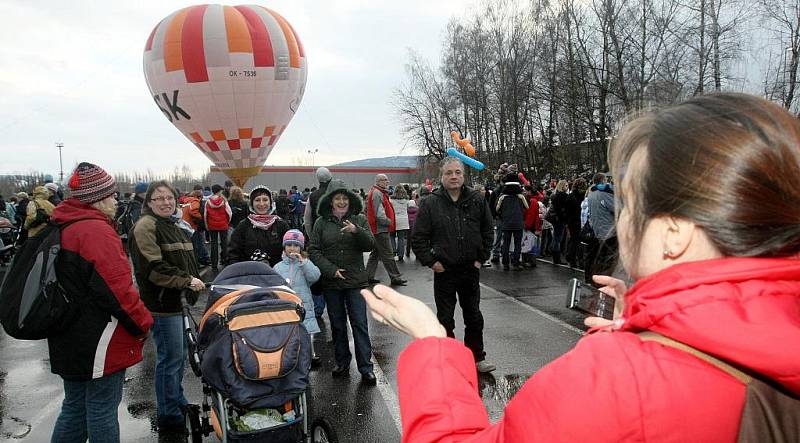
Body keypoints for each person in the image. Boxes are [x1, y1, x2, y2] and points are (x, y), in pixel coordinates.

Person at [364, 92, 800, 441]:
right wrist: (654, 321)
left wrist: (432, 344)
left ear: (673, 234)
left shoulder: (615, 380)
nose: (619, 223)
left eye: (630, 204)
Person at [48, 162, 153, 442]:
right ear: (98, 198)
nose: (117, 200)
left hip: (66, 334)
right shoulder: (94, 231)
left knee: (74, 407)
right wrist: (143, 323)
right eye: (112, 194)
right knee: (102, 409)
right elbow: (118, 290)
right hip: (97, 338)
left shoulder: (63, 223)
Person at [129, 181, 204, 434]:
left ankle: (176, 401)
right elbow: (153, 268)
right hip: (163, 306)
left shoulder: (172, 224)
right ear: (148, 202)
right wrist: (187, 281)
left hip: (178, 302)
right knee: (170, 360)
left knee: (178, 358)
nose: (165, 202)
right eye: (158, 198)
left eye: (169, 197)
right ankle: (169, 415)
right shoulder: (146, 226)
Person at [411, 157, 496, 373]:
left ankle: (476, 357)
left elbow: (488, 230)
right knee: (445, 318)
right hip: (444, 270)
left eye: (457, 172)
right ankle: (448, 359)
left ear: (463, 175)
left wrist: (481, 257)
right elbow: (419, 237)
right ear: (442, 176)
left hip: (470, 269)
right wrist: (431, 262)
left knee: (474, 316)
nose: (454, 176)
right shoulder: (431, 202)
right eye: (449, 173)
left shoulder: (476, 199)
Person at [308, 179, 377, 384]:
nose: (341, 202)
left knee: (360, 324)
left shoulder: (359, 219)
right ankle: (342, 363)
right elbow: (314, 250)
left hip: (355, 281)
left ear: (350, 200)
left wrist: (357, 231)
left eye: (344, 198)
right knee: (337, 326)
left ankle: (366, 367)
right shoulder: (321, 223)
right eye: (337, 198)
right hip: (332, 283)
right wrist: (330, 270)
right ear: (330, 201)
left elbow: (370, 245)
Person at [272, 229, 322, 362]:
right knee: (288, 333)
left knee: (306, 332)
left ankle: (310, 355)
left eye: (296, 245)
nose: (292, 248)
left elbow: (315, 276)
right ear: (284, 247)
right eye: (289, 245)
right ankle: (290, 357)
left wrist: (304, 262)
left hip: (304, 305)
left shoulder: (305, 264)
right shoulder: (278, 267)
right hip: (286, 306)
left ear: (301, 248)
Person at [228, 185, 290, 267]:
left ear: (270, 202)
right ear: (251, 203)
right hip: (250, 275)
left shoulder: (281, 225)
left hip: (276, 275)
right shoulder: (244, 226)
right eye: (257, 200)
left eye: (265, 200)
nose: (261, 204)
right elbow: (233, 253)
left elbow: (290, 250)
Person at [365, 174, 406, 286]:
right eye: (385, 180)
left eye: (387, 180)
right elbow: (379, 214)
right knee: (388, 254)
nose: (387, 182)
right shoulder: (377, 193)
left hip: (377, 228)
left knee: (375, 253)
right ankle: (395, 277)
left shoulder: (376, 192)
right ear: (378, 182)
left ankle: (368, 276)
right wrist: (389, 221)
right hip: (380, 229)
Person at [304, 167, 333, 318]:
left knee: (317, 273)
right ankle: (336, 306)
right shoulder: (337, 193)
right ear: (331, 177)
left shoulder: (313, 196)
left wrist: (311, 237)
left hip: (318, 239)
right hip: (336, 239)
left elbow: (307, 220)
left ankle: (318, 308)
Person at [584, 172, 617, 283]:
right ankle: (604, 282)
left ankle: (596, 279)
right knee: (609, 258)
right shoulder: (602, 194)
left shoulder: (591, 193)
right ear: (603, 181)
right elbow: (616, 208)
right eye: (606, 180)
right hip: (608, 230)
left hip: (598, 230)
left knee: (600, 256)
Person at [495, 174, 529, 271]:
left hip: (506, 223)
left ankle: (505, 264)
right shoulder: (521, 197)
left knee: (506, 243)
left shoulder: (502, 197)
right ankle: (516, 263)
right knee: (518, 244)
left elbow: (497, 209)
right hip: (518, 223)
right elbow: (527, 207)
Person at [180, 189, 211, 266]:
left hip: (185, 224)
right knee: (197, 244)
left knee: (192, 244)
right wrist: (201, 217)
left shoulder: (186, 201)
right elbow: (193, 211)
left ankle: (195, 261)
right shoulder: (195, 201)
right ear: (199, 197)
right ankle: (198, 262)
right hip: (192, 225)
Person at [204, 184, 231, 270]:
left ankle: (214, 265)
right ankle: (226, 261)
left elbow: (205, 215)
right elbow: (229, 213)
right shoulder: (224, 200)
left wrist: (207, 225)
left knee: (214, 244)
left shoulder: (208, 201)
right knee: (224, 244)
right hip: (223, 225)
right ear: (219, 191)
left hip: (212, 225)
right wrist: (227, 222)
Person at [565, 178, 586, 268]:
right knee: (579, 242)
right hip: (578, 220)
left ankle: (571, 257)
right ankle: (577, 260)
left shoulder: (570, 195)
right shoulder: (582, 196)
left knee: (573, 241)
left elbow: (567, 210)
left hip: (571, 221)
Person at [548, 179, 570, 265]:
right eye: (566, 185)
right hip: (560, 219)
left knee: (556, 237)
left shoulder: (555, 195)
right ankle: (556, 257)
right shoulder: (563, 196)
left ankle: (554, 252)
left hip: (555, 219)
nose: (567, 187)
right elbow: (561, 210)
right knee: (558, 238)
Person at [389, 186, 411, 263]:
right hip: (404, 220)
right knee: (401, 238)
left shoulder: (391, 200)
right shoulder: (406, 200)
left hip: (394, 220)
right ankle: (401, 255)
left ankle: (393, 251)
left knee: (391, 236)